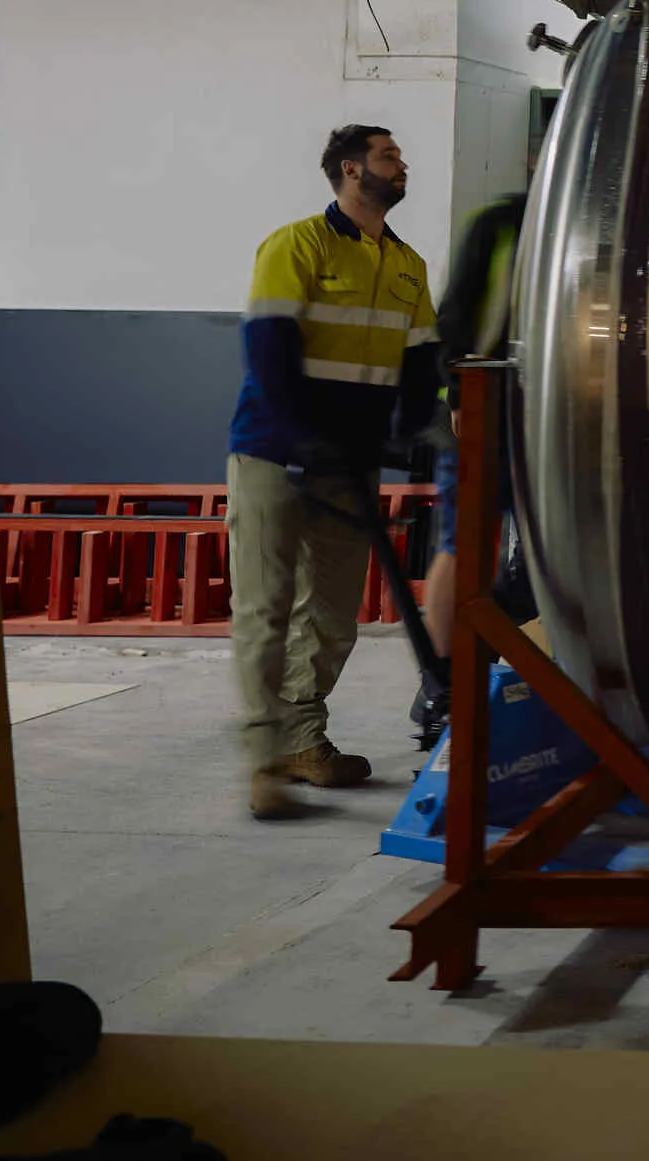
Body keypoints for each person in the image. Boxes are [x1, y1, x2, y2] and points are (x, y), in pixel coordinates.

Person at [227, 125, 439, 820]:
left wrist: (410, 437)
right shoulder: (296, 245)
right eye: (388, 156)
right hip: (273, 454)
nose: (401, 164)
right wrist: (306, 439)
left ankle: (304, 740)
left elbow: (418, 368)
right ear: (351, 170)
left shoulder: (408, 264)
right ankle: (265, 763)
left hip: (349, 465)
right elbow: (270, 353)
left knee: (332, 613)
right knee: (265, 608)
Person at [410, 193, 528, 748]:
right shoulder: (502, 222)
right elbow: (455, 317)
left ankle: (508, 665)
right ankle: (445, 682)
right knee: (466, 543)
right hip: (483, 408)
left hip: (554, 417)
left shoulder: (592, 218)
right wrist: (460, 394)